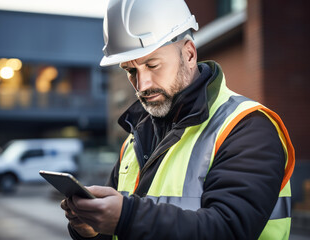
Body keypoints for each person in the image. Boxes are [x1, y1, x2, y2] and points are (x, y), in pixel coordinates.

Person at [61, 0, 295, 239]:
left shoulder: (248, 128)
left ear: (189, 54)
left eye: (152, 65)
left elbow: (229, 229)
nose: (142, 85)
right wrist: (92, 229)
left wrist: (127, 217)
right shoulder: (134, 141)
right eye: (130, 71)